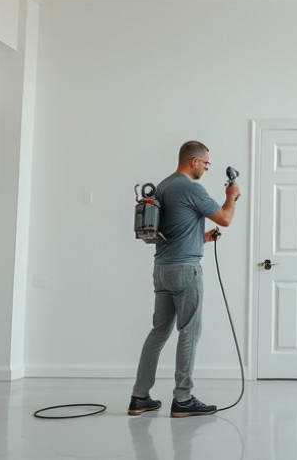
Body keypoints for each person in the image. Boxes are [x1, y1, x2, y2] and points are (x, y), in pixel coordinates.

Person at [128, 140, 241, 417]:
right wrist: (231, 195)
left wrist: (202, 238)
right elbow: (225, 218)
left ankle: (140, 397)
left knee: (158, 333)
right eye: (206, 164)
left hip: (162, 270)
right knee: (189, 331)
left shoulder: (164, 186)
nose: (206, 168)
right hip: (185, 272)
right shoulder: (192, 188)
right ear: (194, 161)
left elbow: (173, 232)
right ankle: (183, 400)